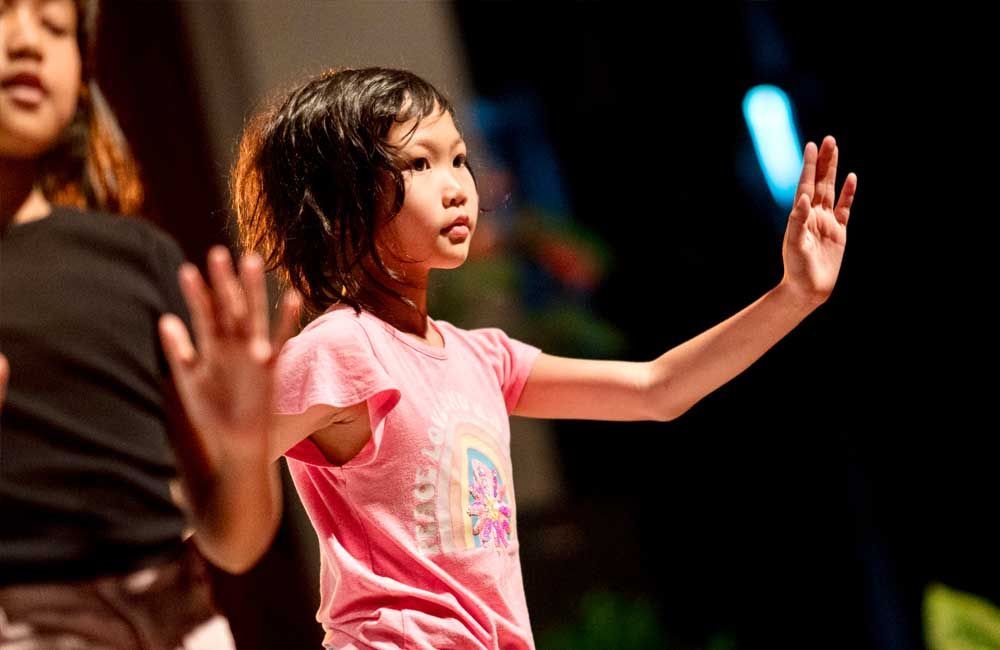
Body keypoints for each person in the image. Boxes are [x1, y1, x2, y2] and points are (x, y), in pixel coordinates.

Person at [231, 66, 858, 648]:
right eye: (419, 164)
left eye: (458, 159)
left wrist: (793, 296)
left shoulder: (482, 357)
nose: (456, 187)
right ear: (338, 200)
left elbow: (657, 388)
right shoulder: (340, 348)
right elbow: (204, 481)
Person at [0, 1, 295, 646]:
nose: (28, 42)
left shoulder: (139, 256)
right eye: (2, 14)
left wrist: (244, 445)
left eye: (56, 28)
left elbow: (233, 542)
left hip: (180, 619)